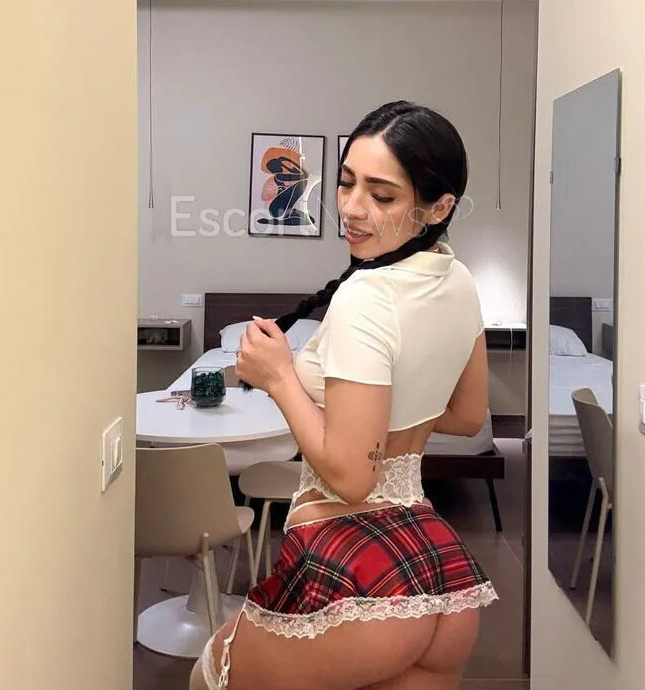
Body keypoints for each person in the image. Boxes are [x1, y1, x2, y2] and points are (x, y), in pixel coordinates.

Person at [191, 100, 497, 690]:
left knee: (212, 673)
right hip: (438, 568)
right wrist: (370, 416)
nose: (353, 208)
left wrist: (279, 376)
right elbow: (466, 415)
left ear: (438, 208)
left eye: (381, 195)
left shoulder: (366, 296)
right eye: (346, 182)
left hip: (353, 567)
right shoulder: (459, 279)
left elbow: (354, 478)